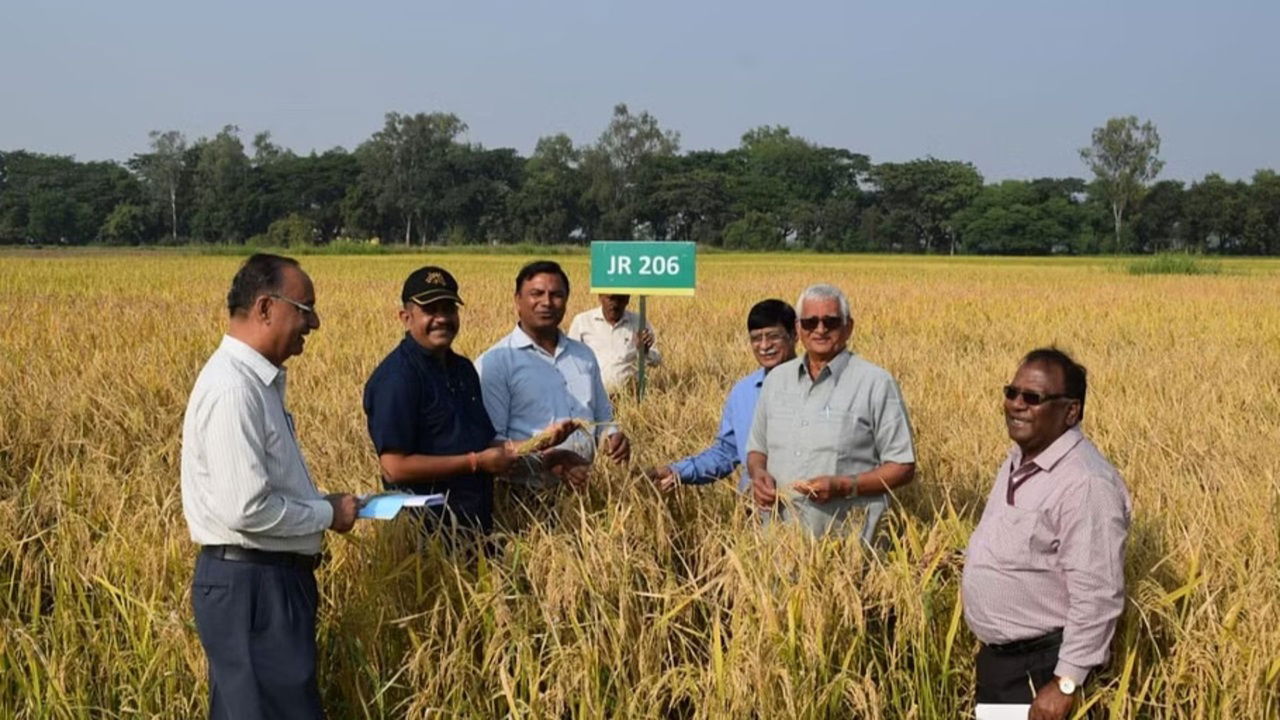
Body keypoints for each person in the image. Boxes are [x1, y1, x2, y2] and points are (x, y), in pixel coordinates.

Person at [181, 253, 359, 720]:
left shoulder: (256, 383)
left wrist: (319, 506)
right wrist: (327, 514)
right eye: (305, 309)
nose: (313, 323)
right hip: (253, 585)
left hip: (265, 581)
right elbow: (245, 509)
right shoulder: (235, 390)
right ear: (265, 308)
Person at [962, 348, 1131, 719]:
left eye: (1033, 398)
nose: (1017, 405)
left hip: (1042, 671)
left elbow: (1099, 594)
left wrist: (1065, 683)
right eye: (1012, 393)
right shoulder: (1019, 459)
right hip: (1002, 666)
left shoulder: (1085, 483)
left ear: (1071, 411)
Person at [746, 283, 916, 543]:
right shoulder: (776, 381)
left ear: (848, 327)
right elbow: (757, 450)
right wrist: (758, 474)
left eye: (831, 322)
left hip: (848, 549)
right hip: (778, 545)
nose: (821, 330)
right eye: (811, 322)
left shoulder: (876, 383)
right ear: (799, 329)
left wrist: (844, 487)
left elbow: (902, 467)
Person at [362, 266, 523, 536]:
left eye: (448, 309)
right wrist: (476, 462)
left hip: (475, 523)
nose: (441, 319)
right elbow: (394, 467)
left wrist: (542, 446)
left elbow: (483, 441)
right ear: (406, 317)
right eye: (430, 310)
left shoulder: (463, 369)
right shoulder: (396, 379)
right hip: (426, 533)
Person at [475, 260, 630, 488]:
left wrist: (613, 437)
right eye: (536, 294)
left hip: (583, 488)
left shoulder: (583, 355)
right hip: (525, 495)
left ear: (566, 301)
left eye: (556, 295)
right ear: (517, 300)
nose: (546, 302)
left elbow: (602, 417)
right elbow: (490, 446)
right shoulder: (495, 362)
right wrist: (544, 460)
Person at [646, 299, 797, 493]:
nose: (764, 345)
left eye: (773, 336)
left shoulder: (818, 388)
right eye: (756, 338)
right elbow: (726, 452)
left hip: (807, 506)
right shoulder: (743, 392)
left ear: (794, 335)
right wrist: (677, 471)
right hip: (754, 507)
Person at [567, 293, 661, 390]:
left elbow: (657, 360)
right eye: (611, 298)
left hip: (629, 399)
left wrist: (644, 352)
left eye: (620, 299)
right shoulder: (583, 321)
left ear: (627, 299)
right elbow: (569, 359)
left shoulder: (639, 322)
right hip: (592, 397)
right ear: (600, 297)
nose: (615, 304)